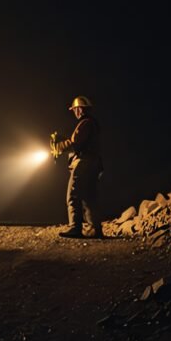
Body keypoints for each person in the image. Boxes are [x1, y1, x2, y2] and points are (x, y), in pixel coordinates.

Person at [52, 96, 104, 238]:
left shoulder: (85, 123)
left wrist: (59, 147)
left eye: (75, 109)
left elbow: (75, 142)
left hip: (84, 163)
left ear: (80, 109)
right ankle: (94, 229)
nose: (74, 112)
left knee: (73, 195)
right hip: (94, 164)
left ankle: (75, 228)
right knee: (88, 196)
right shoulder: (92, 124)